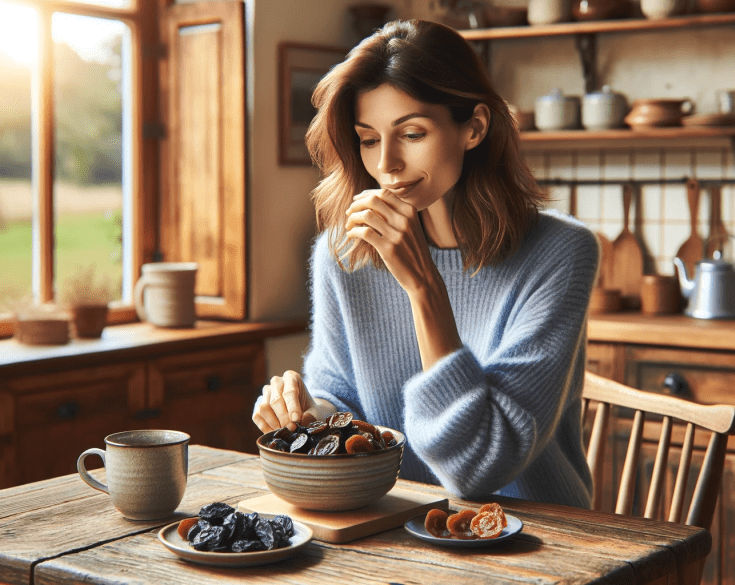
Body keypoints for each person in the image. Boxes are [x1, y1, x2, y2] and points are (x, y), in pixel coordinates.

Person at [252, 19, 598, 508]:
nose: (387, 164)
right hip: (396, 524)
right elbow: (344, 402)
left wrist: (423, 287)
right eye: (369, 139)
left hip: (537, 534)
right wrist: (309, 410)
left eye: (411, 132)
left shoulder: (561, 253)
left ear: (474, 127)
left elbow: (478, 469)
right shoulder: (342, 254)